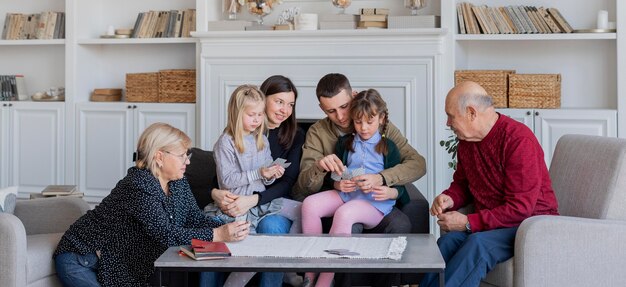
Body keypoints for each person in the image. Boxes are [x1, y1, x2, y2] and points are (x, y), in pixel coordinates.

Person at [54, 122, 249, 287]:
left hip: (113, 259)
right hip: (81, 258)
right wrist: (219, 234)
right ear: (159, 156)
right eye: (182, 155)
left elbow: (193, 217)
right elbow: (165, 234)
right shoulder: (138, 185)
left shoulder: (178, 181)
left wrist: (228, 228)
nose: (187, 162)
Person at [420, 81, 559, 287]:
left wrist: (468, 222)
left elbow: (520, 209)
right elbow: (463, 184)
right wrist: (450, 198)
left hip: (529, 225)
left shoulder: (518, 140)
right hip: (495, 224)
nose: (448, 123)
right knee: (447, 242)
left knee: (478, 245)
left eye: (451, 116)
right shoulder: (467, 142)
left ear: (471, 113)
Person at [301, 89, 410, 287]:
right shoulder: (345, 143)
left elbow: (400, 186)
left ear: (381, 119)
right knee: (309, 204)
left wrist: (387, 187)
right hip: (348, 194)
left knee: (345, 213)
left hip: (375, 203)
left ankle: (325, 280)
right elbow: (336, 176)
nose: (364, 128)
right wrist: (338, 183)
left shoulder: (389, 147)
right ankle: (310, 272)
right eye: (358, 122)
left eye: (369, 122)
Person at [204, 75, 305, 287]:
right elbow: (224, 179)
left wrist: (269, 174)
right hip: (240, 203)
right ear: (263, 97)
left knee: (305, 211)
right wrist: (216, 192)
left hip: (266, 201)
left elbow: (284, 181)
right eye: (279, 101)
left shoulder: (281, 137)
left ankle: (289, 270)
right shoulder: (233, 140)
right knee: (248, 249)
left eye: (290, 104)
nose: (285, 110)